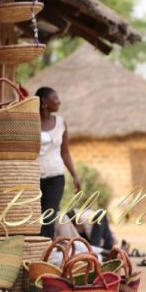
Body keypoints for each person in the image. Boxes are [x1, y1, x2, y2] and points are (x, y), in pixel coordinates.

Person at [35, 87, 80, 239]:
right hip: (33, 178)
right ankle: (34, 250)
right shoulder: (30, 123)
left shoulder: (61, 123)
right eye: (55, 98)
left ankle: (46, 251)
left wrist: (75, 175)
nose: (59, 101)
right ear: (44, 102)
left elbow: (65, 152)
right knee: (34, 215)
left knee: (49, 215)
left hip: (56, 178)